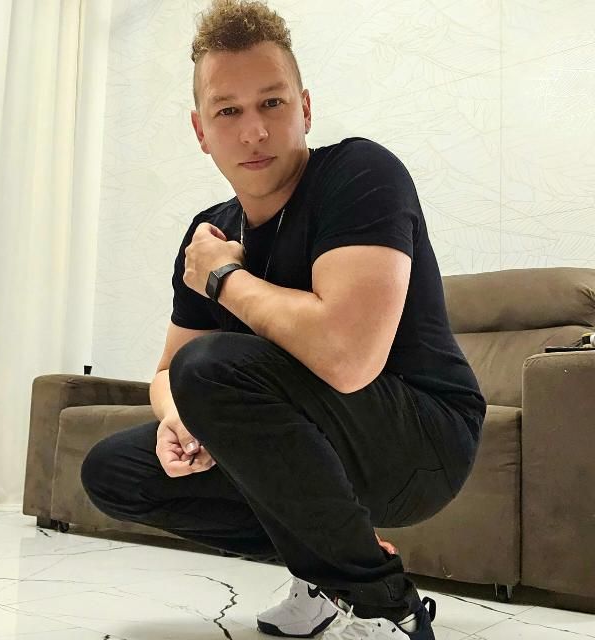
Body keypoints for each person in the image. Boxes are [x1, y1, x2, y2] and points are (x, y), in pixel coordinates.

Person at [80, 1, 486, 638]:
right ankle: (324, 571)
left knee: (211, 367)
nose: (254, 132)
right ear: (200, 130)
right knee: (115, 472)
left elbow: (348, 360)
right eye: (228, 111)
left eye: (271, 103)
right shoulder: (211, 231)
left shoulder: (359, 174)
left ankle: (383, 604)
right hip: (313, 441)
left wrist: (225, 279)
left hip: (422, 441)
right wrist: (181, 420)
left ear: (305, 108)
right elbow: (167, 372)